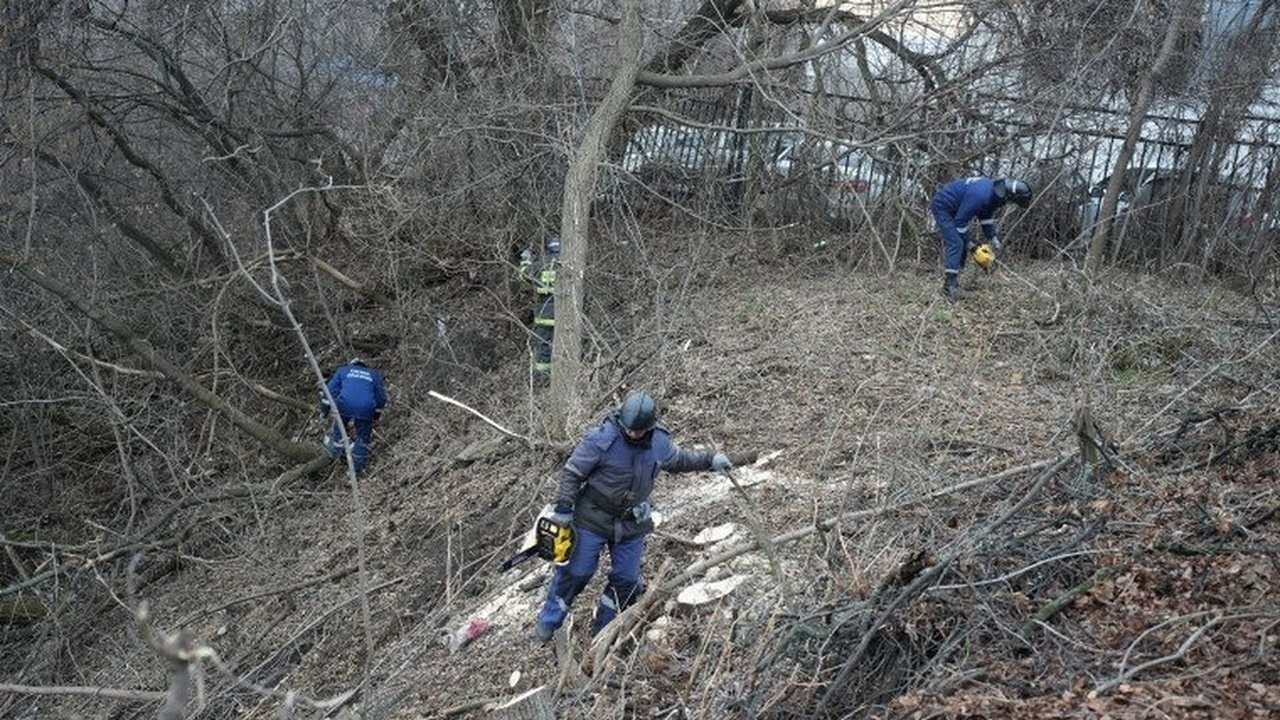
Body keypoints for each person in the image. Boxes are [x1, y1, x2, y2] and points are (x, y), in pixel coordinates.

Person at [533, 390, 741, 643]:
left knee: (627, 580)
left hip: (632, 522)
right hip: (592, 516)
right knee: (577, 571)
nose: (633, 434)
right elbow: (572, 473)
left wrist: (710, 460)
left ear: (649, 427)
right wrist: (564, 509)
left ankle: (604, 631)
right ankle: (549, 620)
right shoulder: (601, 440)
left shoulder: (658, 442)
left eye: (638, 431)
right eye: (629, 429)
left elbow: (678, 460)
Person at [930, 176, 1032, 300]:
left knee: (961, 241)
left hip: (956, 209)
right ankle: (949, 286)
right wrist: (972, 246)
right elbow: (959, 224)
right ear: (1009, 196)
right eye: (1012, 202)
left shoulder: (994, 194)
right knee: (957, 243)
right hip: (943, 207)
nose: (1010, 205)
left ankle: (957, 279)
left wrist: (993, 237)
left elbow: (986, 217)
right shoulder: (980, 196)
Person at [318, 358, 387, 474]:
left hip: (345, 404)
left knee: (339, 429)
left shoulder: (343, 370)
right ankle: (356, 469)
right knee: (363, 438)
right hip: (366, 408)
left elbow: (329, 391)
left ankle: (336, 456)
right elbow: (381, 399)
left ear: (352, 364)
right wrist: (375, 416)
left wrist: (324, 412)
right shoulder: (374, 375)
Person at [517, 235, 561, 380]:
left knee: (544, 344)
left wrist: (526, 258)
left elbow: (523, 275)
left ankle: (542, 376)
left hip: (544, 314)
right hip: (564, 313)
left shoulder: (541, 265)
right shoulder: (568, 264)